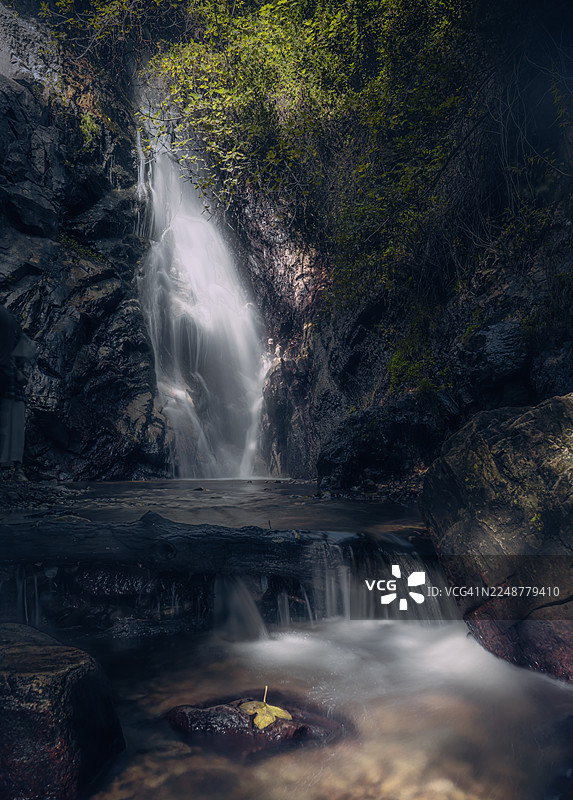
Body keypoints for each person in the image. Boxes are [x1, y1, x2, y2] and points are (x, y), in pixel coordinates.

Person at [0, 305, 35, 481]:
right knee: (15, 429)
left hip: (6, 380)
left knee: (6, 427)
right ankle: (17, 470)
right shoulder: (13, 321)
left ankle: (12, 470)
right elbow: (29, 350)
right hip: (14, 383)